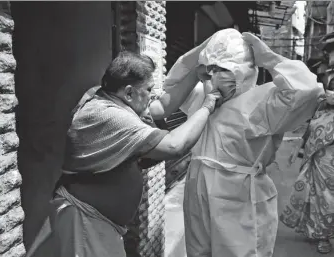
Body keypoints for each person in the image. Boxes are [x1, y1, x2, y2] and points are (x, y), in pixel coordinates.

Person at [25, 51, 222, 257]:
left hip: (96, 223)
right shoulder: (111, 116)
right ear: (129, 93)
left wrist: (194, 74)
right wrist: (208, 105)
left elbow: (162, 106)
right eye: (148, 89)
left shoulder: (106, 98)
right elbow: (174, 146)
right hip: (85, 221)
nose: (153, 96)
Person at [156, 28, 325, 257]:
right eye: (211, 70)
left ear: (245, 71)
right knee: (198, 250)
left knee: (238, 251)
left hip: (239, 194)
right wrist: (198, 56)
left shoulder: (264, 101)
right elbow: (171, 87)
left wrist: (269, 58)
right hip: (198, 186)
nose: (216, 76)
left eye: (224, 69)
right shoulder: (201, 96)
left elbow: (308, 90)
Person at [280, 70, 334, 254]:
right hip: (316, 162)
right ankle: (322, 234)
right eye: (330, 88)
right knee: (317, 197)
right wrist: (298, 148)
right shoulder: (321, 107)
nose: (330, 93)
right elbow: (310, 129)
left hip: (331, 166)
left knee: (330, 200)